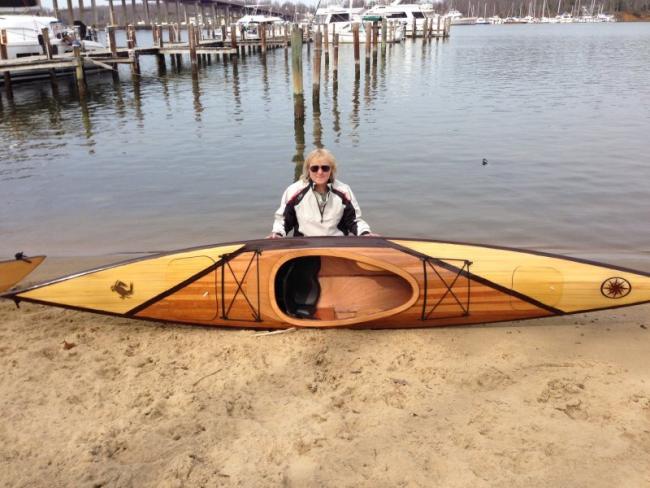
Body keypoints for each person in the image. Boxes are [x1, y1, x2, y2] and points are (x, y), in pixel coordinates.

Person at [268, 148, 377, 238]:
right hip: (304, 247)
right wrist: (277, 234)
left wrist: (365, 233)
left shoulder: (344, 190)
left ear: (331, 170)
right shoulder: (294, 191)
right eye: (315, 168)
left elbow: (354, 221)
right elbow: (284, 221)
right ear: (308, 169)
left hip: (337, 246)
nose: (320, 172)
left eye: (325, 168)